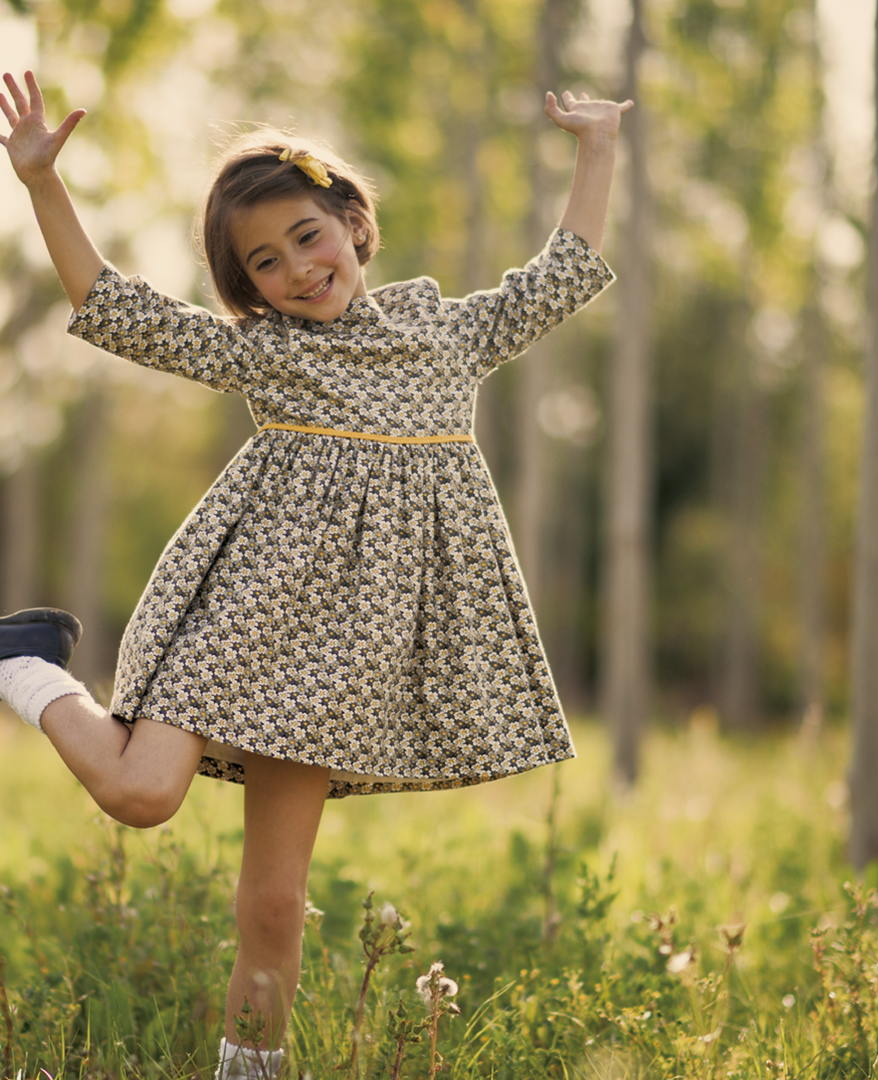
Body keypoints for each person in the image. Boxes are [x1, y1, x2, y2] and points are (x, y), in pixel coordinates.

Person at [0, 69, 630, 1077]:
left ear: (351, 222)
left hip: (336, 669)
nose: (298, 267)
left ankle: (250, 1069)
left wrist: (596, 147)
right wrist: (41, 185)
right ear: (248, 289)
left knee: (278, 900)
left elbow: (561, 272)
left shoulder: (446, 337)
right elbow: (117, 312)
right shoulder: (272, 355)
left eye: (308, 235)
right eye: (265, 262)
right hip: (243, 621)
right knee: (142, 796)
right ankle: (25, 667)